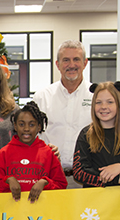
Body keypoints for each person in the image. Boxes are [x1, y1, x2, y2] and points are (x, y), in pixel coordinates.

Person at [33, 40, 93, 187]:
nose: (71, 65)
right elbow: (30, 136)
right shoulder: (42, 97)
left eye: (76, 59)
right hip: (48, 179)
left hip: (87, 180)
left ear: (85, 63)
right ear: (57, 64)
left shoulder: (96, 96)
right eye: (66, 60)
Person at [73, 81, 120, 188]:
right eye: (98, 102)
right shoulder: (87, 135)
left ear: (119, 104)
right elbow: (79, 173)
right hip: (94, 201)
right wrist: (117, 179)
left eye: (110, 102)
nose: (104, 106)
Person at [0, 101, 67, 202]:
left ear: (39, 127)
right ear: (15, 126)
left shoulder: (49, 153)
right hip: (11, 212)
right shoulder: (4, 152)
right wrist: (8, 180)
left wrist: (45, 182)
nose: (26, 129)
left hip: (42, 212)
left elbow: (61, 185)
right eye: (21, 124)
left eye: (31, 124)